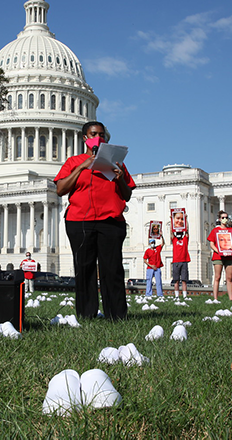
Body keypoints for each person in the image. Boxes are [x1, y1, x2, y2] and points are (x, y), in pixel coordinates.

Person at [54, 121, 135, 320]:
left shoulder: (117, 164)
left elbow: (127, 194)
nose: (97, 138)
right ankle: (86, 314)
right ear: (85, 138)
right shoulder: (74, 162)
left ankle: (116, 315)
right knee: (84, 268)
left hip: (111, 220)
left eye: (101, 134)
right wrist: (82, 167)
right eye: (93, 134)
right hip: (79, 220)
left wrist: (120, 178)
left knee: (112, 268)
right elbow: (60, 189)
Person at [208, 211, 232, 301]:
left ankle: (230, 298)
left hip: (229, 256)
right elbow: (211, 244)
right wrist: (219, 251)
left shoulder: (231, 230)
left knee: (229, 278)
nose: (224, 219)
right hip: (218, 256)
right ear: (219, 219)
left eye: (226, 217)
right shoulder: (215, 230)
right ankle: (215, 298)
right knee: (217, 277)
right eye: (223, 218)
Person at [170, 214, 190, 298]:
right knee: (176, 280)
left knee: (184, 280)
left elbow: (187, 230)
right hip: (176, 262)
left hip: (184, 261)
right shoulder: (174, 239)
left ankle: (185, 296)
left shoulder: (185, 239)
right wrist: (172, 220)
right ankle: (177, 296)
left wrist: (185, 219)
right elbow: (171, 231)